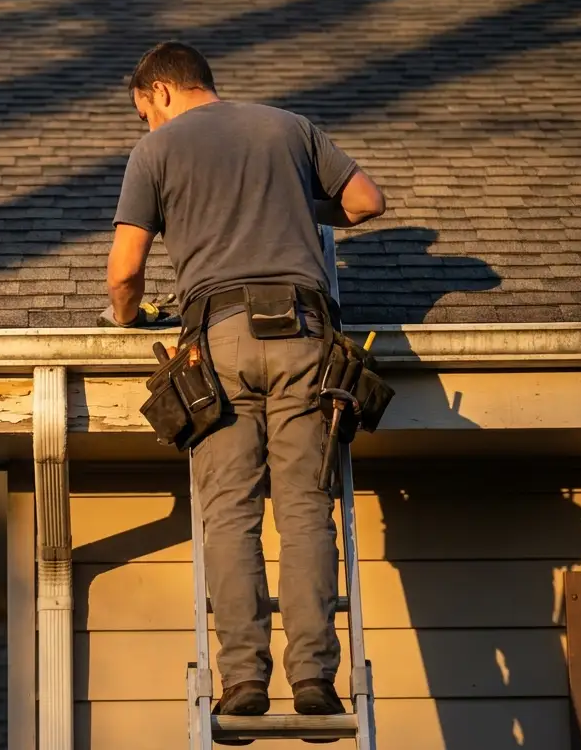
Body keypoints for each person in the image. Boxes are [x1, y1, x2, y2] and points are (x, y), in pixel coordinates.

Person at [105, 41, 386, 722]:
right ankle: (316, 679)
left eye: (145, 111)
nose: (148, 124)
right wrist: (295, 208)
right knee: (304, 509)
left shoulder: (157, 152)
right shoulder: (289, 128)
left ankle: (244, 683)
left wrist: (129, 314)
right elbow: (366, 202)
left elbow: (123, 269)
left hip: (218, 342)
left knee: (230, 512)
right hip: (305, 336)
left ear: (162, 92)